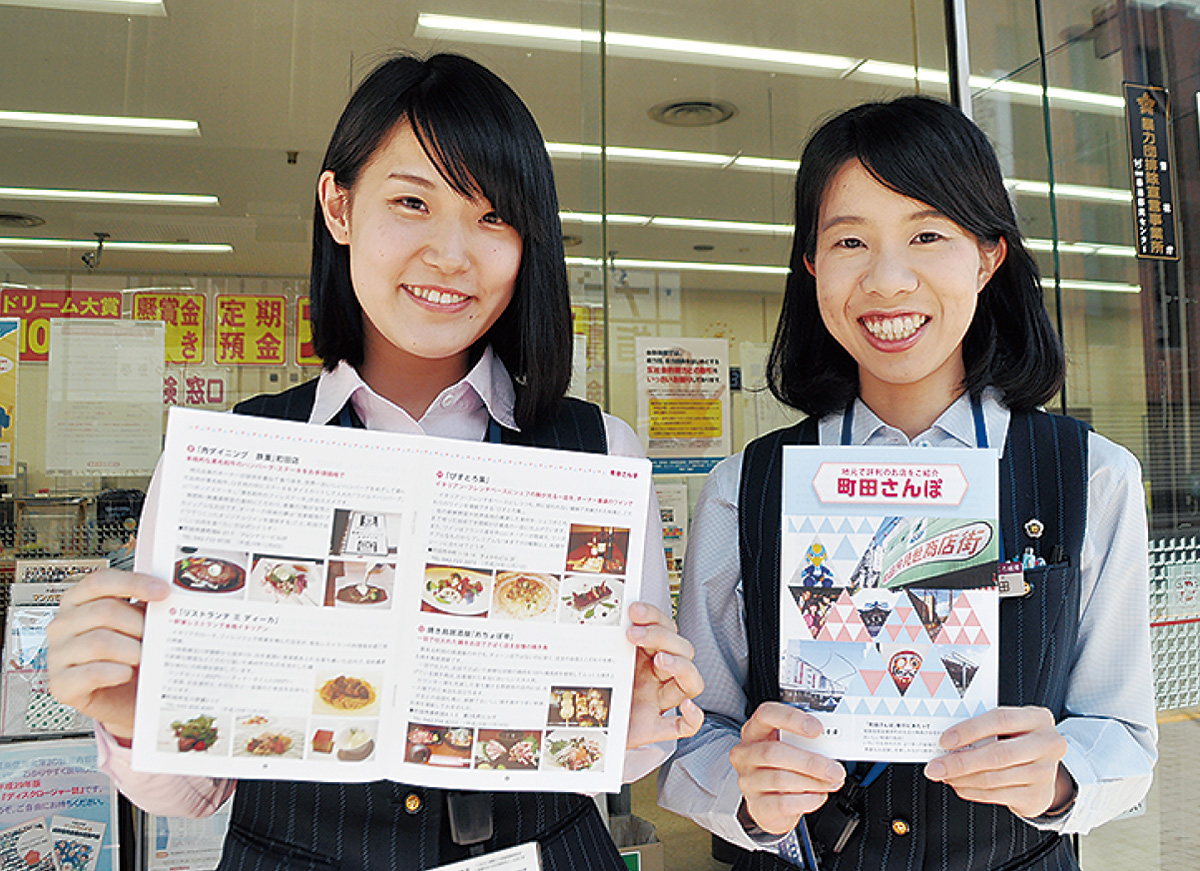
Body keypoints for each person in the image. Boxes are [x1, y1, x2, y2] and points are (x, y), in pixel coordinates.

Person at [47, 52, 703, 871]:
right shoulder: (233, 459)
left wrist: (635, 721)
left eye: (494, 216)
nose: (451, 254)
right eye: (411, 202)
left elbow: (627, 748)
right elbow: (194, 786)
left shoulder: (599, 451)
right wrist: (128, 709)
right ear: (339, 205)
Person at [657, 95, 1155, 871]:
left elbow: (1124, 736)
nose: (888, 281)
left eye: (927, 235)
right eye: (850, 241)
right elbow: (694, 733)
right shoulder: (743, 488)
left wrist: (1060, 777)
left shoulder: (1093, 477)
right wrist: (745, 791)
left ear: (987, 256)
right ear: (812, 265)